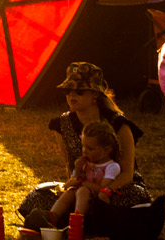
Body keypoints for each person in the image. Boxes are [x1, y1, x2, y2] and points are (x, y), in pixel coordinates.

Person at [23, 61, 152, 233]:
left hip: (116, 187)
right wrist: (75, 181)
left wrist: (104, 191)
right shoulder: (62, 124)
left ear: (95, 94)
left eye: (79, 91)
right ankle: (63, 219)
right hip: (83, 185)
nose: (72, 95)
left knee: (128, 202)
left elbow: (127, 174)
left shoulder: (119, 124)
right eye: (68, 90)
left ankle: (75, 222)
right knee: (37, 197)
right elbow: (71, 170)